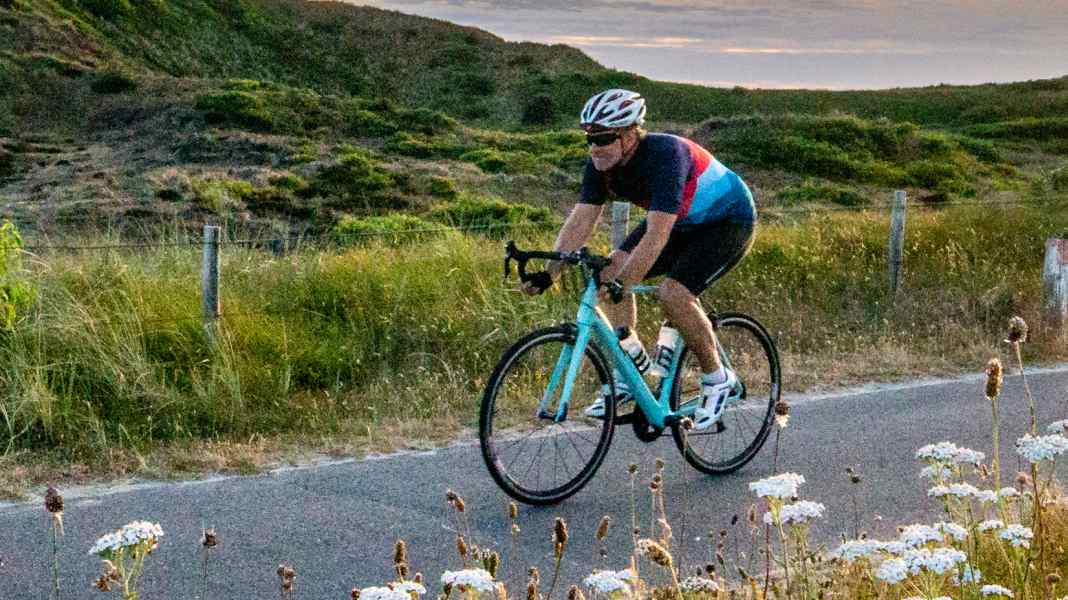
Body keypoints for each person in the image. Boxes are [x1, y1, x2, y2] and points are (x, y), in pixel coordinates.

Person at [521, 88, 757, 431]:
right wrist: (550, 273)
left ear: (630, 134)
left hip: (727, 221)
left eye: (602, 137)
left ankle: (717, 377)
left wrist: (625, 283)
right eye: (588, 138)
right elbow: (582, 219)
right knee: (609, 271)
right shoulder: (600, 165)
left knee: (672, 293)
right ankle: (628, 377)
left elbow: (657, 235)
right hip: (681, 221)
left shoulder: (666, 155)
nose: (594, 147)